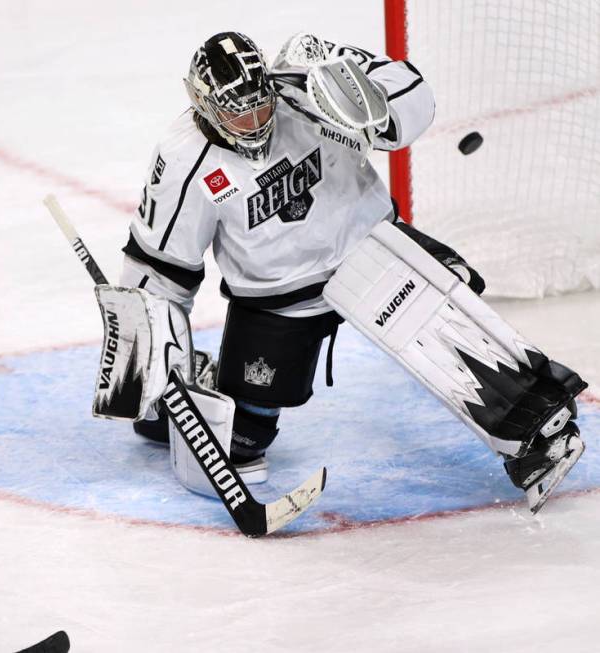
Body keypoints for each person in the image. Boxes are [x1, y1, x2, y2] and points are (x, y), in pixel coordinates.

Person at [119, 32, 584, 511]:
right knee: (241, 443)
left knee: (457, 340)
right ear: (204, 104)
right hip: (279, 302)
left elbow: (408, 91)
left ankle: (540, 435)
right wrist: (152, 366)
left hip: (370, 253)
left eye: (263, 106)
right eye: (241, 112)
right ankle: (177, 406)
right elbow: (160, 268)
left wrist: (370, 101)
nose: (257, 121)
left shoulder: (301, 81)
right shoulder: (183, 160)